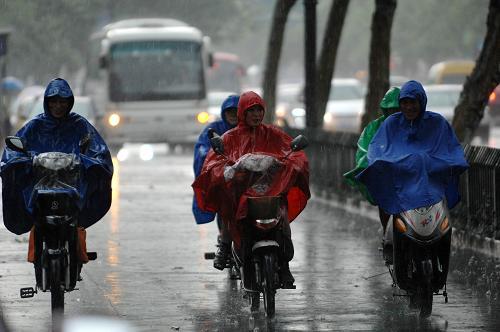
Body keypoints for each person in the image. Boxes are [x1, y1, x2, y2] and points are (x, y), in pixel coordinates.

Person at [192, 91, 310, 287]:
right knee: (229, 214)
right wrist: (228, 171)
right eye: (251, 110)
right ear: (243, 113)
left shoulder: (273, 134)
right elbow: (213, 162)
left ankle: (285, 265)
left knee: (283, 220)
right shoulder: (230, 137)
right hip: (240, 191)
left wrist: (292, 165)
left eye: (259, 110)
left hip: (270, 191)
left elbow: (292, 152)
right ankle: (224, 247)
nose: (256, 114)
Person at [1, 78, 113, 279]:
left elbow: (98, 150)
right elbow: (14, 151)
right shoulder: (35, 126)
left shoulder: (80, 125)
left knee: (76, 217)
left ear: (69, 103)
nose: (58, 106)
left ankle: (77, 251)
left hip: (73, 188)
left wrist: (88, 161)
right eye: (54, 101)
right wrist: (22, 161)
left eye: (62, 102)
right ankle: (37, 255)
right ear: (47, 102)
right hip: (39, 189)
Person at [357, 80, 468, 225]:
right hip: (400, 183)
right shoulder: (391, 123)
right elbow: (377, 150)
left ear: (422, 102)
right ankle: (386, 233)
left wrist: (430, 163)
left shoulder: (437, 123)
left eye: (413, 102)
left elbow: (450, 149)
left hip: (431, 187)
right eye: (404, 102)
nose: (409, 107)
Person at [343, 87, 400, 252]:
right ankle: (387, 235)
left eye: (398, 109)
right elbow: (365, 150)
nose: (395, 114)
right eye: (391, 110)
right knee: (385, 203)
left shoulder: (413, 126)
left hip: (411, 179)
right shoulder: (375, 128)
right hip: (387, 179)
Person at [192, 94, 239, 269]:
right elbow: (203, 148)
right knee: (226, 207)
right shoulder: (214, 129)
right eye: (230, 112)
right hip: (227, 179)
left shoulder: (251, 129)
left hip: (249, 179)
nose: (233, 115)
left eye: (237, 111)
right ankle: (225, 246)